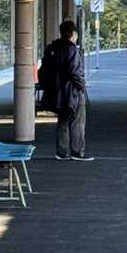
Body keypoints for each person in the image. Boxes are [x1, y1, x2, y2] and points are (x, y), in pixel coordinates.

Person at [37, 19, 94, 162]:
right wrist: (82, 85)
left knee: (62, 120)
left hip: (57, 92)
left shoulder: (52, 48)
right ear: (73, 34)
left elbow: (42, 70)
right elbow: (75, 71)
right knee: (77, 121)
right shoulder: (71, 49)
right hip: (72, 91)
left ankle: (62, 152)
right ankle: (77, 151)